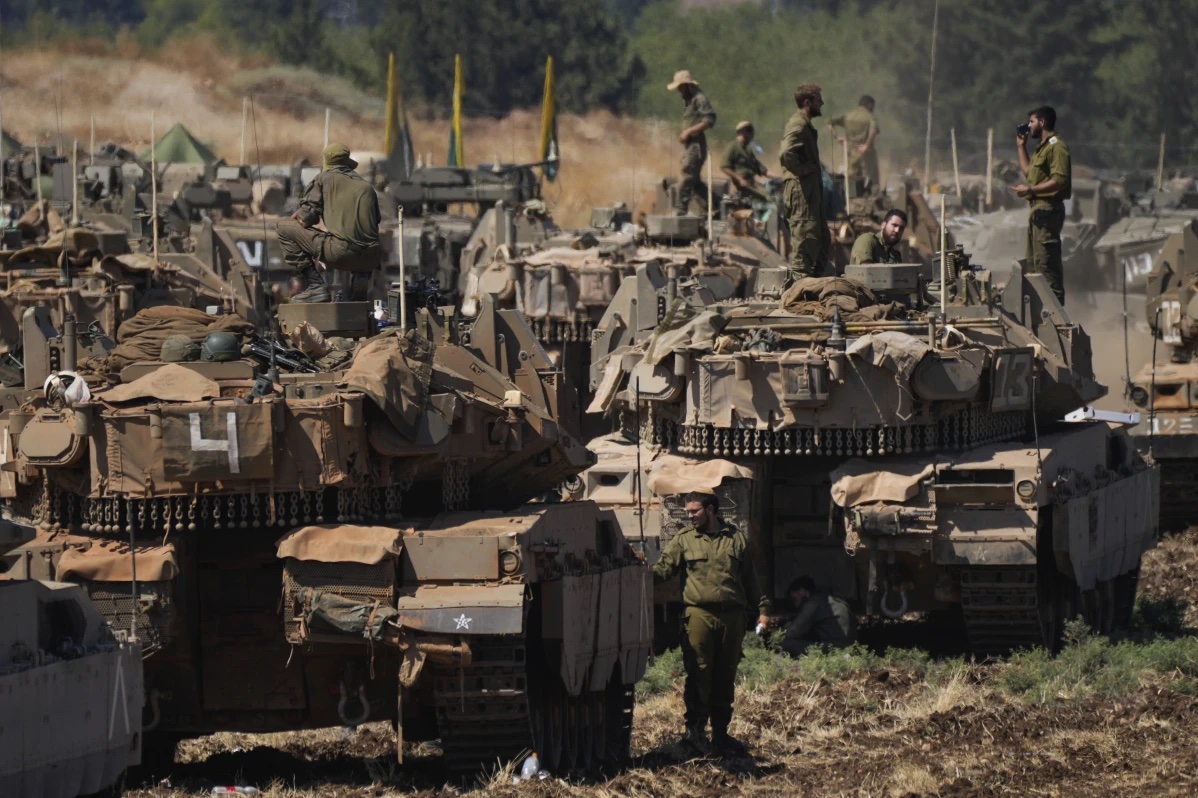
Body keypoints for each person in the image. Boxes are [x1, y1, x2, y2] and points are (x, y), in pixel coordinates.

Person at [652, 492, 770, 756]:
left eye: (694, 511)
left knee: (725, 675)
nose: (689, 516)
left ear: (711, 510)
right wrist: (640, 574)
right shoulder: (684, 539)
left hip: (732, 617)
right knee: (699, 673)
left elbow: (749, 578)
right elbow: (663, 569)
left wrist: (763, 609)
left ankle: (720, 735)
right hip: (698, 615)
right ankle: (694, 734)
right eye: (688, 512)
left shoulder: (735, 538)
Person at [276, 142, 382, 303]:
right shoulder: (365, 187)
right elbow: (374, 222)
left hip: (342, 253)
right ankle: (360, 280)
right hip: (371, 258)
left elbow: (306, 219)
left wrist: (300, 215)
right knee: (358, 238)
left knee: (283, 228)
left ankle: (315, 285)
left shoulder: (323, 179)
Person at [1013, 105, 1071, 304]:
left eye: (1032, 122)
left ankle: (1056, 318)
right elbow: (1030, 172)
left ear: (1043, 122)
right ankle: (1042, 312)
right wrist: (1021, 146)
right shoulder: (1043, 148)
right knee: (1035, 265)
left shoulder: (1057, 146)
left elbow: (1059, 180)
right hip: (1038, 212)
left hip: (1048, 210)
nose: (1029, 126)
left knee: (1047, 266)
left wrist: (1030, 191)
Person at [780, 82, 830, 281]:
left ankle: (813, 286)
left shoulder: (805, 125)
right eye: (819, 100)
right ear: (807, 102)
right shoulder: (798, 124)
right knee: (805, 242)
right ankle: (801, 295)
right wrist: (800, 170)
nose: (822, 103)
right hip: (801, 194)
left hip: (809, 194)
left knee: (820, 240)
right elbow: (786, 152)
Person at [667, 70, 717, 216]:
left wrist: (688, 132)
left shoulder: (699, 98)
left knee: (687, 174)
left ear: (687, 85)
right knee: (695, 183)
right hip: (691, 145)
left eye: (680, 87)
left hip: (696, 144)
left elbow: (710, 119)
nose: (679, 91)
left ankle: (681, 209)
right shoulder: (689, 100)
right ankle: (713, 206)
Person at [779, 576, 856, 658]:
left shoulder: (813, 603)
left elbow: (793, 632)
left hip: (836, 648)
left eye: (795, 599)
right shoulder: (830, 598)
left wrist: (780, 632)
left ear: (802, 591)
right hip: (849, 646)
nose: (795, 604)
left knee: (786, 643)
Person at [827, 95, 880, 190]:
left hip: (851, 151)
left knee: (852, 178)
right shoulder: (870, 116)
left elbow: (829, 123)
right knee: (873, 180)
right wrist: (866, 145)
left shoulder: (848, 115)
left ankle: (852, 201)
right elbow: (874, 130)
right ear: (869, 105)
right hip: (867, 153)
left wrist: (837, 137)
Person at [721, 121, 771, 203]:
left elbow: (763, 171)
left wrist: (781, 178)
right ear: (742, 132)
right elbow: (724, 167)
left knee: (772, 193)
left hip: (751, 184)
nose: (752, 134)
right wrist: (740, 179)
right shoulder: (733, 147)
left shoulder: (748, 150)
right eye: (749, 130)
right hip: (741, 187)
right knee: (768, 198)